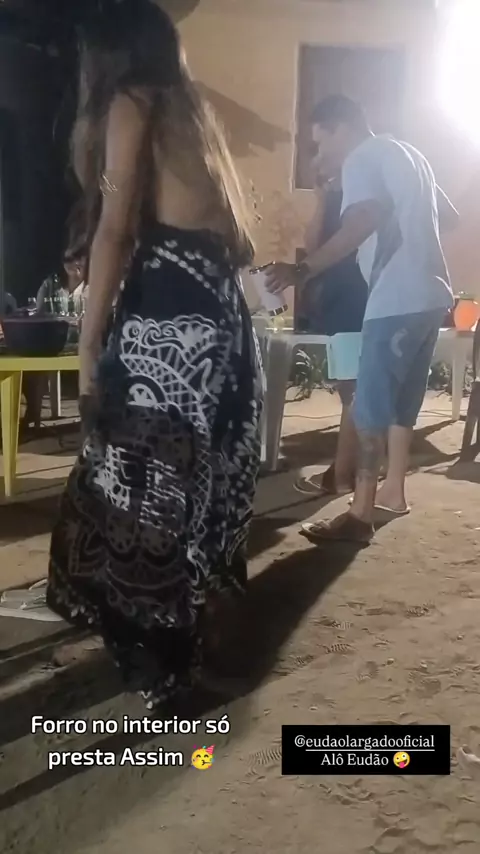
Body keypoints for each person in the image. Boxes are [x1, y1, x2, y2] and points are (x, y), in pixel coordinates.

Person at [46, 0, 263, 707]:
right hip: (221, 322)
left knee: (140, 491)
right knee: (204, 485)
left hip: (168, 323)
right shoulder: (191, 113)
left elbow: (114, 230)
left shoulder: (131, 104)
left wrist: (87, 345)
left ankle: (163, 667)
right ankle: (206, 640)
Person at [266, 95, 456, 543]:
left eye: (321, 142)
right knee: (403, 401)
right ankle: (394, 493)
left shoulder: (362, 157)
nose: (321, 153)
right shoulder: (409, 155)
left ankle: (360, 515)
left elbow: (361, 222)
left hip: (396, 296)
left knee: (369, 406)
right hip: (432, 293)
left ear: (342, 127)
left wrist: (302, 269)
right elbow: (448, 217)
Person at [295, 155, 367, 496]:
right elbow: (312, 245)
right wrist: (321, 200)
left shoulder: (357, 198)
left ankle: (341, 476)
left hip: (351, 301)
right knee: (351, 388)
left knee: (352, 389)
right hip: (341, 302)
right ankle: (345, 471)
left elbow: (316, 249)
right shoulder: (341, 198)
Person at [36, 242, 88, 313]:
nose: (75, 263)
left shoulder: (92, 288)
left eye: (78, 258)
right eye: (68, 260)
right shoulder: (49, 285)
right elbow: (39, 314)